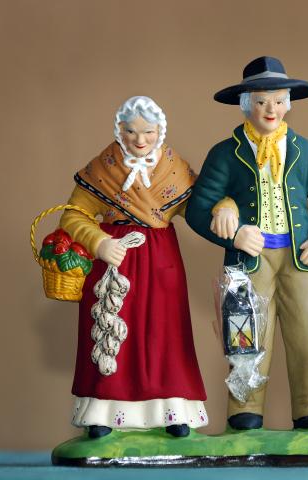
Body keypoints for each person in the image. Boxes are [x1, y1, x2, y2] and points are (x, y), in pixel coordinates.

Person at [186, 57, 308, 431]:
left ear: (288, 104)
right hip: (248, 262)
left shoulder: (303, 150)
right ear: (247, 105)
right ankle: (245, 409)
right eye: (261, 101)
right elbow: (197, 209)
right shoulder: (225, 153)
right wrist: (233, 230)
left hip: (298, 258)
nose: (270, 109)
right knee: (245, 334)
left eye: (277, 101)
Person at [59, 96, 207, 439]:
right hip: (115, 259)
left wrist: (224, 207)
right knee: (112, 331)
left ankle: (172, 408)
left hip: (161, 260)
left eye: (148, 132)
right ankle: (103, 410)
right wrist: (99, 242)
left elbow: (200, 208)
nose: (140, 140)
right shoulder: (103, 168)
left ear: (160, 132)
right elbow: (73, 215)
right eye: (131, 132)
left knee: (166, 333)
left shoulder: (175, 169)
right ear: (119, 131)